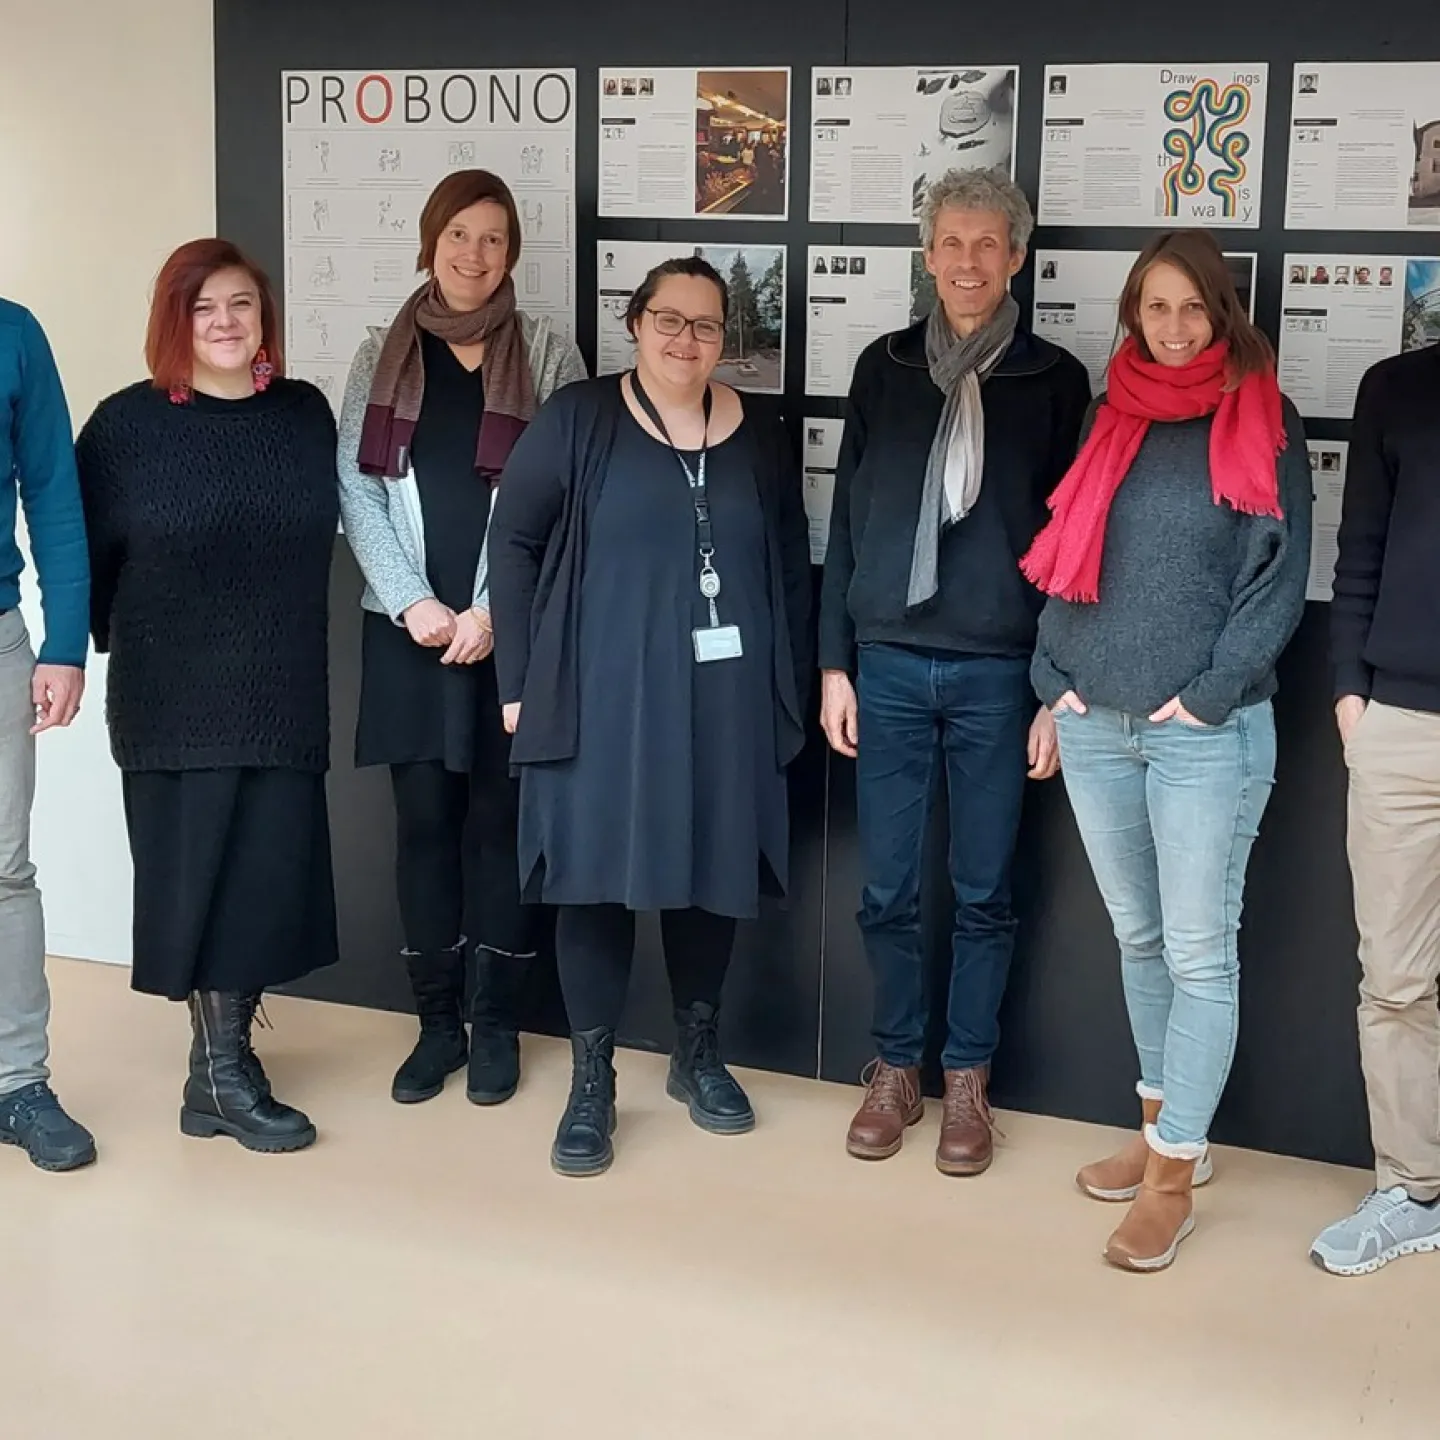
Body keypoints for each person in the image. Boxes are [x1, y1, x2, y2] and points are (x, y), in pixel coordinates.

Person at [1024, 230, 1312, 1271]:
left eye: (1195, 308)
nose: (1177, 327)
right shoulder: (1117, 415)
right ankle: (1158, 1132)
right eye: (1158, 308)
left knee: (1198, 952)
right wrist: (1052, 679)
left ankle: (1176, 1174)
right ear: (1134, 316)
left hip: (1205, 735)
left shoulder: (1261, 421)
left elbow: (1277, 583)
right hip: (1096, 720)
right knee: (1140, 941)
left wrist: (1205, 699)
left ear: (1223, 313)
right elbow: (1066, 551)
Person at [488, 256, 812, 1177]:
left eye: (707, 326)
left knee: (711, 866)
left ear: (727, 340)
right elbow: (513, 538)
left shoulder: (759, 435)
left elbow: (788, 559)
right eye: (669, 320)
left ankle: (696, 1056)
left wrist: (787, 688)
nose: (686, 340)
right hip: (599, 693)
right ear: (635, 323)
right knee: (592, 875)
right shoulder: (581, 418)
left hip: (726, 698)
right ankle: (593, 1078)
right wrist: (517, 683)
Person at [819, 166, 1090, 1176]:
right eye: (953, 243)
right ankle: (896, 1066)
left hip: (997, 675)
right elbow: (844, 519)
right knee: (887, 888)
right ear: (928, 255)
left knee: (984, 892)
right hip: (884, 667)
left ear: (1016, 256)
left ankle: (967, 1079)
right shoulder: (884, 367)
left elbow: (1076, 548)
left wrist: (1055, 689)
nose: (969, 261)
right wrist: (832, 664)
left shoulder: (1054, 380)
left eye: (989, 244)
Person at [75, 240, 339, 1153]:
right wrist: (101, 645)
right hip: (172, 694)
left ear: (264, 318)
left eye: (241, 305)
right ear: (173, 320)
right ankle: (223, 1072)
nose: (225, 323)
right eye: (203, 308)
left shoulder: (305, 416)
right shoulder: (123, 428)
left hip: (280, 687)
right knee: (201, 883)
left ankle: (217, 1071)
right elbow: (87, 560)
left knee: (263, 883)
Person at [337, 169, 586, 1108]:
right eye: (458, 233)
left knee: (500, 826)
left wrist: (489, 612)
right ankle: (435, 1025)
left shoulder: (550, 352)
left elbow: (561, 495)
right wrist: (411, 602)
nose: (473, 254)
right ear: (430, 238)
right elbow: (356, 483)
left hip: (504, 638)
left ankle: (495, 1026)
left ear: (512, 252)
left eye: (492, 238)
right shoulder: (381, 350)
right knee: (424, 830)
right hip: (408, 636)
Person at [1310, 339, 1440, 1276]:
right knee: (1395, 981)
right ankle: (1411, 1188)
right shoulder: (1396, 388)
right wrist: (1351, 691)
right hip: (1399, 725)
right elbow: (1361, 549)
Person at [0, 298, 95, 1172]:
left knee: (3, 868)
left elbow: (54, 493)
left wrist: (65, 643)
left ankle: (17, 1083)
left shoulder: (13, 333)